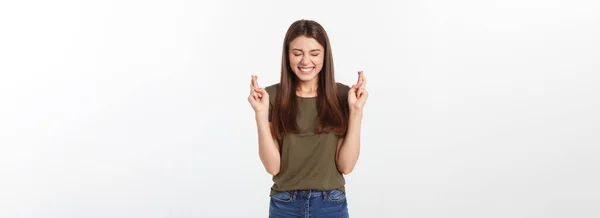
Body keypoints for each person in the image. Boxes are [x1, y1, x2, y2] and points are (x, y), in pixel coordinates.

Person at [247, 19, 368, 218]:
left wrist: (356, 112)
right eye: (297, 53)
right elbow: (273, 167)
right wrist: (260, 115)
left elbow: (346, 166)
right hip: (285, 204)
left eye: (314, 53)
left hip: (331, 204)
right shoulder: (271, 97)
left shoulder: (343, 96)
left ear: (325, 56)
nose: (305, 61)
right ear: (287, 55)